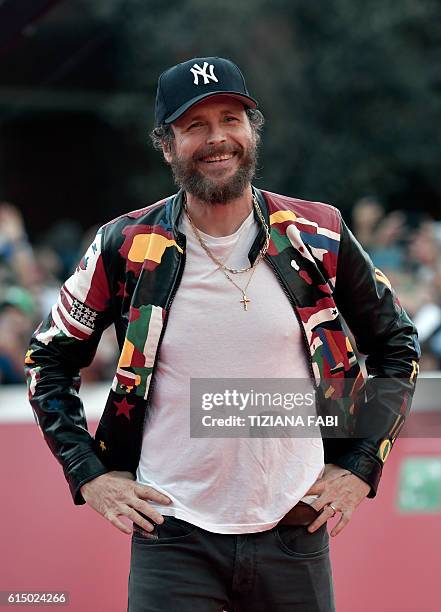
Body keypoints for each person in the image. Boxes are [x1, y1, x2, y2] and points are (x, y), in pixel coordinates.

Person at [25, 57, 420, 612]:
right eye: (195, 126)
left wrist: (360, 466)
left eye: (231, 119)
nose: (217, 140)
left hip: (295, 530)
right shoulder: (125, 246)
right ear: (167, 145)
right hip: (173, 537)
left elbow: (397, 345)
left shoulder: (317, 234)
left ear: (252, 131)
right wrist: (88, 473)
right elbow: (48, 361)